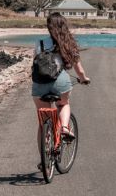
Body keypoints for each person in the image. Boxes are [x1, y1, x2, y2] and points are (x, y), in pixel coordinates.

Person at [32, 12, 90, 140]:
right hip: (60, 83)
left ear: (48, 27)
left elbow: (34, 64)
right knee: (63, 104)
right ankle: (64, 127)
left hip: (39, 84)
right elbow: (79, 70)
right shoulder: (68, 44)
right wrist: (83, 78)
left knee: (43, 123)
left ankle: (45, 155)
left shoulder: (40, 43)